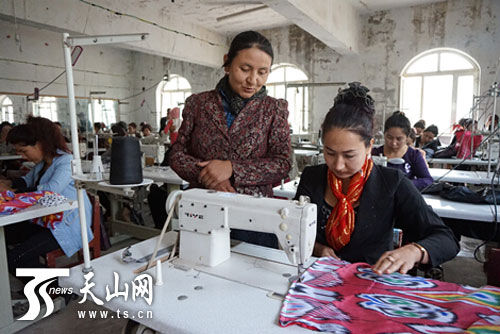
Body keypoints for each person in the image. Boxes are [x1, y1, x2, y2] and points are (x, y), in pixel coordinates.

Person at [295, 82, 458, 275]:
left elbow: (446, 238)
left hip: (370, 283)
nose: (338, 165)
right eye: (329, 153)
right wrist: (317, 248)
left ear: (369, 147)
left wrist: (414, 251)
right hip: (317, 278)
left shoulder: (391, 183)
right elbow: (295, 228)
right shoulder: (313, 177)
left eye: (349, 155)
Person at [169, 30, 291, 247]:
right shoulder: (198, 104)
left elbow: (282, 163)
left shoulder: (274, 109)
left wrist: (232, 168)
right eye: (245, 69)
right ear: (227, 63)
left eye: (263, 72)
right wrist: (209, 176)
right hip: (203, 207)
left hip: (254, 214)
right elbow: (177, 154)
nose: (253, 80)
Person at [0, 116, 93, 272]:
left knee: (14, 259)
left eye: (24, 151)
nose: (22, 157)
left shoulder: (66, 161)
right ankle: (35, 281)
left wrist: (10, 191)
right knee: (6, 237)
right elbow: (25, 182)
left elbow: (49, 191)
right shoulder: (43, 164)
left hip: (66, 224)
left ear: (41, 143)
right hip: (45, 220)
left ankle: (59, 287)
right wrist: (6, 184)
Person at [372, 111, 433, 190]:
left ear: (407, 137)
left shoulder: (413, 155)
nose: (394, 143)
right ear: (384, 134)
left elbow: (428, 180)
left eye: (399, 139)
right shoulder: (374, 153)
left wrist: (405, 184)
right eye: (389, 137)